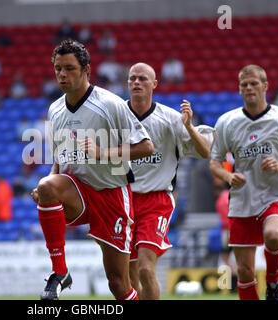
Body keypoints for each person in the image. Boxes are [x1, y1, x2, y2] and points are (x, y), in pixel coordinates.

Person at [30, 39, 153, 300]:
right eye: (58, 68)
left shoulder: (110, 104)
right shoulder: (54, 110)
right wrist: (49, 185)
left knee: (118, 284)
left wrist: (103, 153)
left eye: (70, 68)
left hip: (112, 195)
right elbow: (59, 158)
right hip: (79, 191)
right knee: (45, 185)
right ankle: (60, 272)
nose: (62, 74)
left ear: (86, 70)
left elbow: (146, 147)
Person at [209, 64, 278, 300]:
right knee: (245, 272)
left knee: (272, 235)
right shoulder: (227, 122)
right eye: (244, 85)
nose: (249, 88)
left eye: (254, 83)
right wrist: (229, 176)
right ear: (239, 89)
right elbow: (214, 163)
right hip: (242, 199)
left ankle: (272, 283)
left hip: (275, 194)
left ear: (265, 86)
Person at [126, 63, 215, 299]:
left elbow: (205, 151)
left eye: (142, 78)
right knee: (129, 276)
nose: (136, 82)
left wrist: (188, 127)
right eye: (132, 78)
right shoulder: (116, 117)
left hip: (156, 201)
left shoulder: (170, 118)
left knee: (146, 268)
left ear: (154, 84)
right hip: (123, 200)